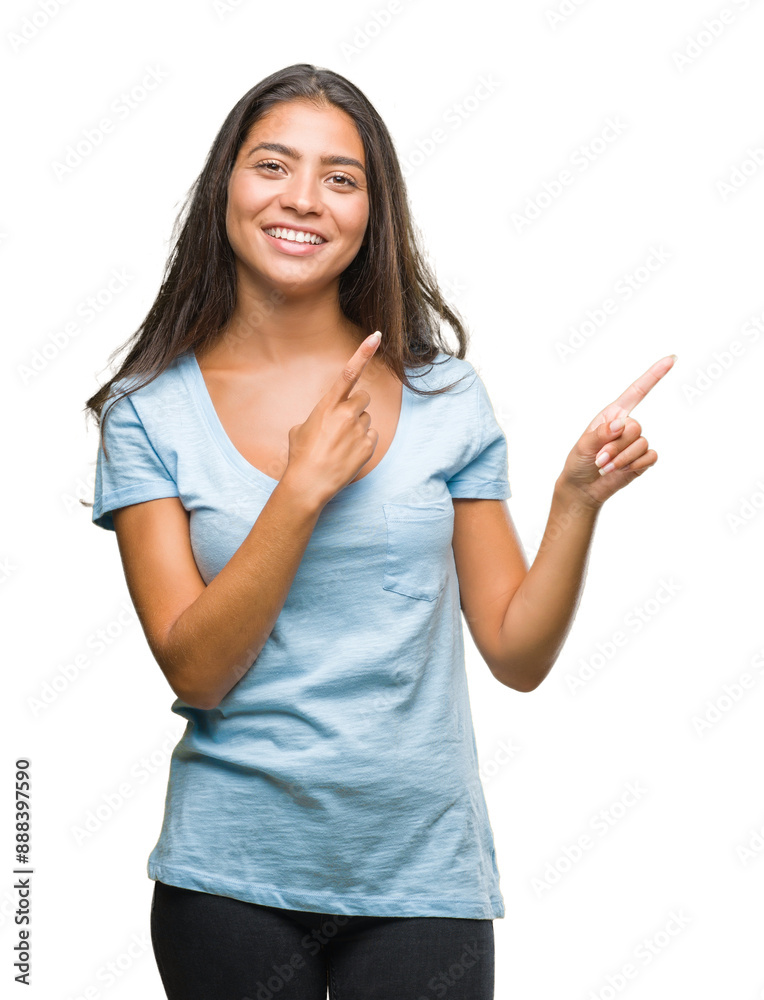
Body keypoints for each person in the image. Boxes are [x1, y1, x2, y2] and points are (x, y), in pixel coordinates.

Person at [83, 63, 674, 999]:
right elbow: (193, 668)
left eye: (341, 178)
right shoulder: (149, 413)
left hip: (423, 875)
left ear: (372, 213)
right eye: (273, 165)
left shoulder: (447, 396)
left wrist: (574, 505)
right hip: (229, 879)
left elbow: (517, 653)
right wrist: (300, 487)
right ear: (225, 189)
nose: (304, 199)